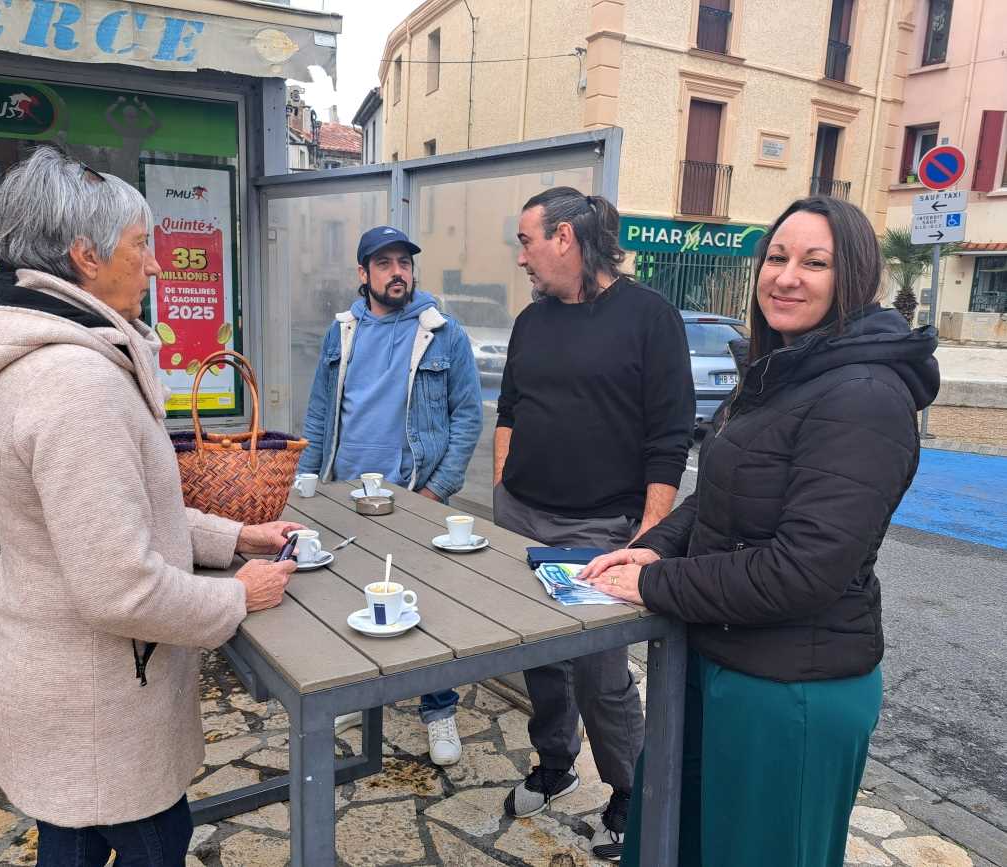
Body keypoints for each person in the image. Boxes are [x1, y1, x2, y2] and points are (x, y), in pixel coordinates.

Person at [0, 146, 301, 866]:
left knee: (71, 846)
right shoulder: (76, 383)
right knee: (152, 845)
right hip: (95, 706)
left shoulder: (43, 358)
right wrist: (238, 594)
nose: (157, 265)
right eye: (142, 245)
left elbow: (114, 515)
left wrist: (234, 535)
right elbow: (120, 587)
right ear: (87, 255)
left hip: (61, 686)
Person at [580, 196, 940, 867]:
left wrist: (656, 583)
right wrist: (652, 546)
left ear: (854, 276)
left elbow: (804, 570)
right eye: (776, 257)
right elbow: (721, 491)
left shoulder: (863, 396)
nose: (786, 277)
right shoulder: (782, 370)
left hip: (789, 691)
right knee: (668, 842)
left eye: (815, 262)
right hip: (719, 659)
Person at [495, 187, 695, 861]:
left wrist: (649, 534)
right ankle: (555, 763)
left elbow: (670, 435)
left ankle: (631, 792)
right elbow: (510, 409)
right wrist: (501, 486)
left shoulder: (650, 317)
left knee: (601, 674)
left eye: (526, 241)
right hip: (522, 516)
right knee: (537, 658)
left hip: (604, 528)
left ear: (565, 238)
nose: (521, 257)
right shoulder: (533, 320)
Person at [297, 226, 482, 766]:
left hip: (415, 493)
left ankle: (438, 709)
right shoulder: (342, 332)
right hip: (346, 491)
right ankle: (358, 694)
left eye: (403, 262)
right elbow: (320, 411)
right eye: (383, 263)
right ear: (363, 273)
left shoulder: (442, 332)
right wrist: (306, 483)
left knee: (428, 604)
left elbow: (467, 416)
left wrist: (435, 490)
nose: (397, 272)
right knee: (349, 596)